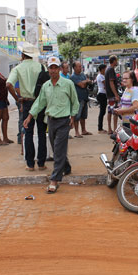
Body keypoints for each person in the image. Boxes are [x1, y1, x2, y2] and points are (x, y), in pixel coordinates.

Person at [23, 56, 79, 194]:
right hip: (51, 121)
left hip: (64, 121)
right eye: (51, 68)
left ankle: (54, 180)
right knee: (56, 148)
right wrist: (29, 116)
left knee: (58, 150)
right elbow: (39, 102)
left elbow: (75, 101)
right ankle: (66, 167)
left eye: (55, 68)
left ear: (59, 69)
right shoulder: (46, 86)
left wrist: (73, 116)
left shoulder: (68, 84)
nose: (53, 70)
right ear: (48, 70)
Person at [6, 43, 47, 171]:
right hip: (41, 102)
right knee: (41, 132)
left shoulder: (17, 68)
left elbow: (8, 84)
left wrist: (17, 98)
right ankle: (41, 163)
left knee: (28, 132)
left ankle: (30, 164)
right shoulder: (42, 67)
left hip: (27, 102)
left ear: (23, 55)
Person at [70, 61, 92, 138]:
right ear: (74, 68)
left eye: (81, 66)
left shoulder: (82, 75)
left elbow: (86, 82)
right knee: (77, 116)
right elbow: (82, 85)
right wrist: (86, 81)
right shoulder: (73, 76)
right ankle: (76, 132)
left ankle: (84, 130)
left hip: (84, 97)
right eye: (79, 66)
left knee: (83, 116)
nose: (80, 68)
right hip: (78, 98)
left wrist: (85, 82)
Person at [105, 55, 120, 134]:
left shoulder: (108, 69)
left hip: (109, 94)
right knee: (115, 112)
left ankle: (110, 129)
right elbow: (111, 83)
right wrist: (116, 95)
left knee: (110, 112)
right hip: (112, 95)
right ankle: (114, 129)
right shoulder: (111, 69)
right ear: (113, 61)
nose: (117, 62)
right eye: (116, 60)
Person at [96, 64, 108, 133]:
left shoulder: (102, 76)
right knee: (102, 112)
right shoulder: (100, 76)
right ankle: (100, 128)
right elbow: (106, 84)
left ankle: (100, 127)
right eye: (105, 69)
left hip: (103, 94)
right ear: (102, 69)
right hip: (101, 94)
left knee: (103, 112)